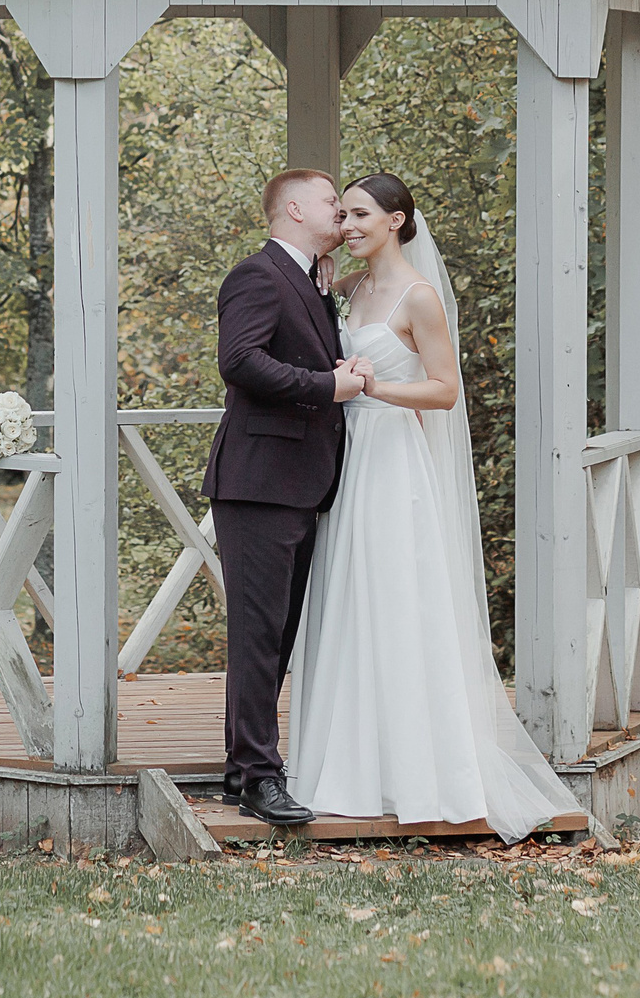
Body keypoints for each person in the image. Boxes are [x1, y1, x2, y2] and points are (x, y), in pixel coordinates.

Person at [284, 173, 575, 842]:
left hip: (393, 464)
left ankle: (419, 770)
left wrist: (374, 386)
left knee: (397, 603)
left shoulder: (420, 297)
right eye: (343, 214)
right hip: (348, 464)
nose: (347, 224)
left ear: (396, 219)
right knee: (349, 604)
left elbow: (444, 390)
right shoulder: (351, 289)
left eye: (358, 214)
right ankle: (351, 769)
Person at [204, 168, 366, 827]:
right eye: (333, 201)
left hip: (301, 483)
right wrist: (327, 385)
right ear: (295, 208)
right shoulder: (257, 275)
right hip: (258, 483)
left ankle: (246, 768)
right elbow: (239, 360)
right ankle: (258, 777)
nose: (341, 211)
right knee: (259, 636)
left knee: (280, 634)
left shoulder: (311, 281)